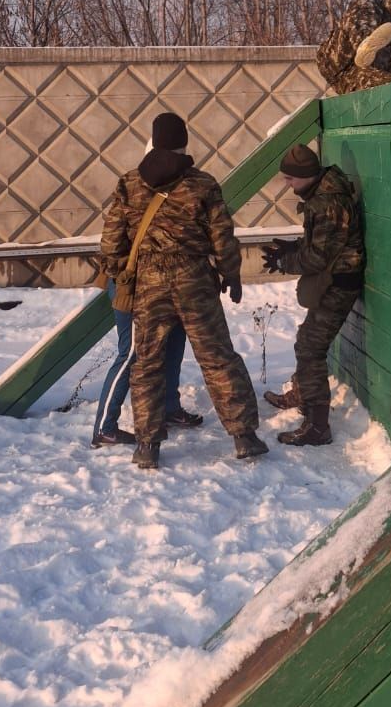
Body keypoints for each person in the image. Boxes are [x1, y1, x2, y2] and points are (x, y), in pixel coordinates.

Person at [99, 120, 267, 469]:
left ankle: (147, 445)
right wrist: (230, 273)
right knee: (217, 356)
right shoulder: (203, 184)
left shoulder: (129, 183)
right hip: (195, 280)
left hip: (149, 282)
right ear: (183, 145)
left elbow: (112, 238)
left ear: (154, 142)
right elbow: (222, 236)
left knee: (147, 363)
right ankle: (243, 437)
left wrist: (120, 272)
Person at [91, 114, 203, 448]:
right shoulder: (155, 184)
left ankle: (169, 407)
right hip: (140, 284)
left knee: (171, 347)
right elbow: (112, 245)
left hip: (166, 284)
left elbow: (110, 239)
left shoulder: (135, 182)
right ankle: (104, 427)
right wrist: (124, 277)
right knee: (131, 354)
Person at [261, 143, 365, 447]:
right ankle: (303, 393)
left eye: (290, 178)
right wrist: (293, 247)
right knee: (307, 340)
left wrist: (286, 261)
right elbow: (322, 244)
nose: (287, 183)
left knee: (310, 347)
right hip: (333, 278)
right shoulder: (321, 195)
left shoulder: (328, 204)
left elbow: (318, 258)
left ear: (307, 176)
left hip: (339, 282)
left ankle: (318, 425)